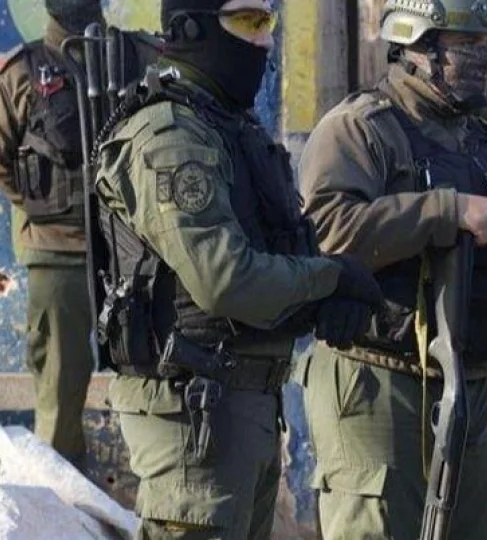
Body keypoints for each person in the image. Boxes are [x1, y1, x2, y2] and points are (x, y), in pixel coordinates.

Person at [93, 0, 382, 537]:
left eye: (268, 22)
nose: (264, 41)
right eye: (248, 22)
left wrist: (319, 299)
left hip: (241, 407)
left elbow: (274, 247)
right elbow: (226, 279)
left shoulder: (227, 125)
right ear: (191, 27)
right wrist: (331, 278)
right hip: (195, 422)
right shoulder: (171, 138)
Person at [299, 1, 487, 538]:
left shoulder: (481, 139)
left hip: (468, 382)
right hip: (378, 382)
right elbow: (327, 231)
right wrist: (448, 211)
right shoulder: (360, 128)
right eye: (467, 44)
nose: (484, 57)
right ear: (416, 45)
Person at [0, 0, 162, 468]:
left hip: (135, 256)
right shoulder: (21, 74)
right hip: (59, 257)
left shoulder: (137, 57)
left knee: (158, 390)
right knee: (59, 401)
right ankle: (60, 497)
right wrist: (46, 207)